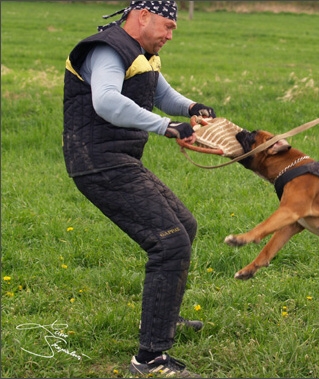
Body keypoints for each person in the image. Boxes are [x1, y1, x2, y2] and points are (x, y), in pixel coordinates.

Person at [63, 1, 215, 377]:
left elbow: (163, 95)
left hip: (120, 160)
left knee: (184, 225)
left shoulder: (142, 55)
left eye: (173, 29)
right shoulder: (107, 50)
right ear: (142, 16)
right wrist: (167, 127)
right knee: (169, 242)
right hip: (98, 163)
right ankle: (150, 359)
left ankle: (162, 318)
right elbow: (107, 101)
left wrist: (192, 106)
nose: (169, 35)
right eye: (167, 26)